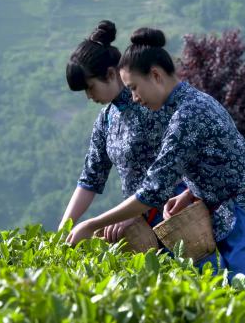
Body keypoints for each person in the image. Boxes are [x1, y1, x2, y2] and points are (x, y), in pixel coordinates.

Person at [66, 27, 245, 301]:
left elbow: (154, 189)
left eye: (134, 87)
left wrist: (91, 225)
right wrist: (190, 192)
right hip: (227, 220)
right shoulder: (185, 106)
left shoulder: (187, 113)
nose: (133, 97)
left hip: (244, 218)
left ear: (155, 75)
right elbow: (218, 163)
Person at [59, 20, 186, 243]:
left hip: (177, 213)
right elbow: (91, 178)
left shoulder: (152, 103)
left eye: (90, 87)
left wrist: (136, 211)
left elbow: (174, 167)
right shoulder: (107, 118)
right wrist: (63, 230)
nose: (89, 96)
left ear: (110, 74)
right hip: (138, 225)